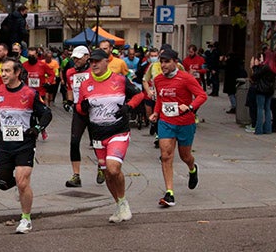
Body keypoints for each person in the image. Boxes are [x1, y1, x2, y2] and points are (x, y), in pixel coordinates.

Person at [76, 48, 145, 223]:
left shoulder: (120, 80)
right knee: (107, 174)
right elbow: (79, 107)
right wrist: (82, 107)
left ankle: (123, 204)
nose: (94, 64)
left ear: (107, 61)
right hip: (98, 135)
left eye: (98, 61)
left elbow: (139, 95)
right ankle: (119, 204)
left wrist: (128, 107)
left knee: (113, 167)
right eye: (91, 61)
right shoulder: (85, 84)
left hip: (118, 131)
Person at [0, 57, 52, 234]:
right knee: (2, 183)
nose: (3, 74)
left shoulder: (29, 93)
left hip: (24, 144)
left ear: (17, 73)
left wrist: (37, 128)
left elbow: (46, 114)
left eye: (7, 71)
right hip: (5, 145)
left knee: (23, 182)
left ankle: (26, 219)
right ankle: (20, 189)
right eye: (2, 71)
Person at [150, 46, 207, 208]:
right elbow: (160, 99)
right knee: (166, 155)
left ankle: (192, 168)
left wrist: (189, 107)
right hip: (166, 122)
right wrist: (156, 113)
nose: (163, 65)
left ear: (175, 62)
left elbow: (202, 96)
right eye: (161, 62)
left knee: (185, 156)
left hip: (185, 122)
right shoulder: (158, 79)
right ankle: (169, 193)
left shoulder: (186, 78)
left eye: (167, 62)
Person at [62, 45, 92, 187]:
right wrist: (68, 101)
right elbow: (69, 87)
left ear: (87, 57)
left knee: (97, 143)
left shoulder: (93, 71)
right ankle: (76, 175)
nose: (76, 60)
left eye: (79, 58)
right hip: (78, 111)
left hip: (94, 111)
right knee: (74, 142)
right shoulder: (69, 72)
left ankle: (102, 168)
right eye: (74, 58)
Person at [22, 47, 52, 141]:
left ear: (37, 55)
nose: (31, 57)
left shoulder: (42, 65)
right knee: (31, 113)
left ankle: (42, 128)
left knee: (40, 113)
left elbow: (51, 73)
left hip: (40, 92)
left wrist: (48, 82)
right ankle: (33, 130)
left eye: (33, 55)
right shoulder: (24, 65)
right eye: (29, 55)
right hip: (27, 94)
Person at [249, 50, 276, 135]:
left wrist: (254, 67)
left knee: (260, 109)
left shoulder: (265, 67)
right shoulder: (274, 67)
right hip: (269, 90)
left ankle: (259, 129)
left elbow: (254, 76)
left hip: (261, 90)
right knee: (268, 109)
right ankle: (268, 129)